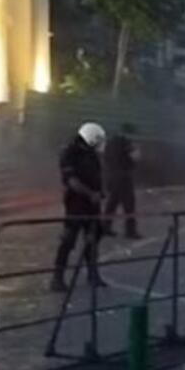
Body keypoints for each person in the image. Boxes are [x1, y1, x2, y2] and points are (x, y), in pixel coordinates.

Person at [51, 123, 107, 292]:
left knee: (93, 240)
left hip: (92, 205)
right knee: (68, 240)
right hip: (76, 204)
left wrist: (100, 192)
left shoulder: (91, 154)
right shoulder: (69, 153)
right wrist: (91, 194)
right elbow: (72, 181)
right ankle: (57, 277)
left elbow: (97, 175)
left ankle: (93, 273)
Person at [104, 122, 142, 239]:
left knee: (112, 203)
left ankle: (105, 227)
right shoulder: (126, 142)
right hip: (124, 177)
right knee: (129, 205)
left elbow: (105, 158)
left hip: (112, 176)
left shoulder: (110, 142)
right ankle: (130, 231)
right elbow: (135, 157)